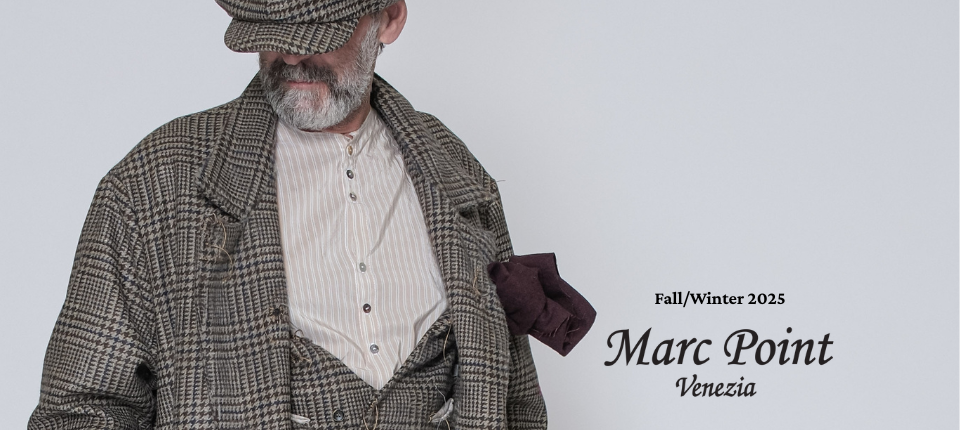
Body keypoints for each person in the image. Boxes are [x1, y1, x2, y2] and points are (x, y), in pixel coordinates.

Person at [28, 0, 547, 428]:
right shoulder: (154, 183)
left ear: (389, 19)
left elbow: (517, 401)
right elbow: (79, 412)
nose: (293, 55)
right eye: (274, 34)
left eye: (319, 34)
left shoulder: (457, 173)